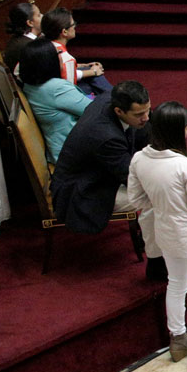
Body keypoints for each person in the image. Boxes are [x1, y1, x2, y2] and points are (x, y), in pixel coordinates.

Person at [127, 102, 187, 369]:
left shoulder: (139, 159)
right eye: (186, 129)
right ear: (175, 131)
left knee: (176, 284)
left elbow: (136, 198)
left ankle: (179, 339)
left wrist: (166, 202)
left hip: (166, 234)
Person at [50, 80, 161, 275]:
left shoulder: (110, 99)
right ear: (119, 111)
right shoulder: (106, 137)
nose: (146, 117)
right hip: (83, 192)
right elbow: (133, 179)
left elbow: (143, 132)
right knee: (158, 197)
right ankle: (156, 261)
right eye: (139, 114)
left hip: (95, 174)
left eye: (148, 110)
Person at [19, 39, 89, 162]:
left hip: (58, 149)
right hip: (74, 154)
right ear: (48, 61)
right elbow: (94, 111)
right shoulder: (56, 88)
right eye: (57, 54)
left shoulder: (29, 85)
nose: (61, 57)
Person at [41, 7, 109, 95]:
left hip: (50, 88)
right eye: (73, 24)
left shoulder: (44, 45)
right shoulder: (65, 57)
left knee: (89, 71)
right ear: (64, 32)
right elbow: (69, 85)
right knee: (96, 83)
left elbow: (58, 70)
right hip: (63, 93)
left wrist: (84, 66)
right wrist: (94, 72)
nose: (75, 27)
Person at [2, 0, 42, 71]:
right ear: (30, 23)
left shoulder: (17, 38)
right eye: (39, 15)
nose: (42, 16)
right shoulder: (30, 46)